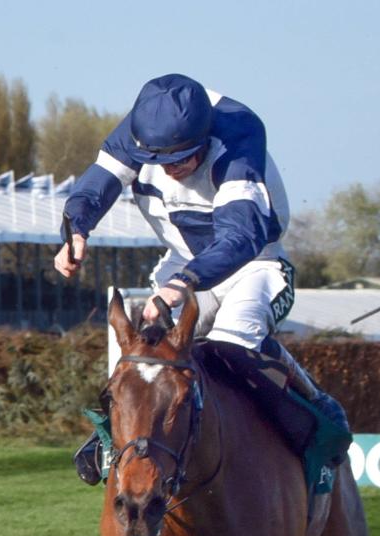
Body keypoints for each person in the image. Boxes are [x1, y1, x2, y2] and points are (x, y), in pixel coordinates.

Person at [55, 73, 347, 485]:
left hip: (254, 263)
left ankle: (316, 414)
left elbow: (241, 236)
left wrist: (183, 283)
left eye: (183, 158)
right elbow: (94, 187)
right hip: (183, 260)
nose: (171, 169)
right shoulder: (139, 130)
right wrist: (75, 231)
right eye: (160, 161)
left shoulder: (239, 132)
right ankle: (114, 435)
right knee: (143, 344)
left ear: (205, 137)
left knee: (232, 342)